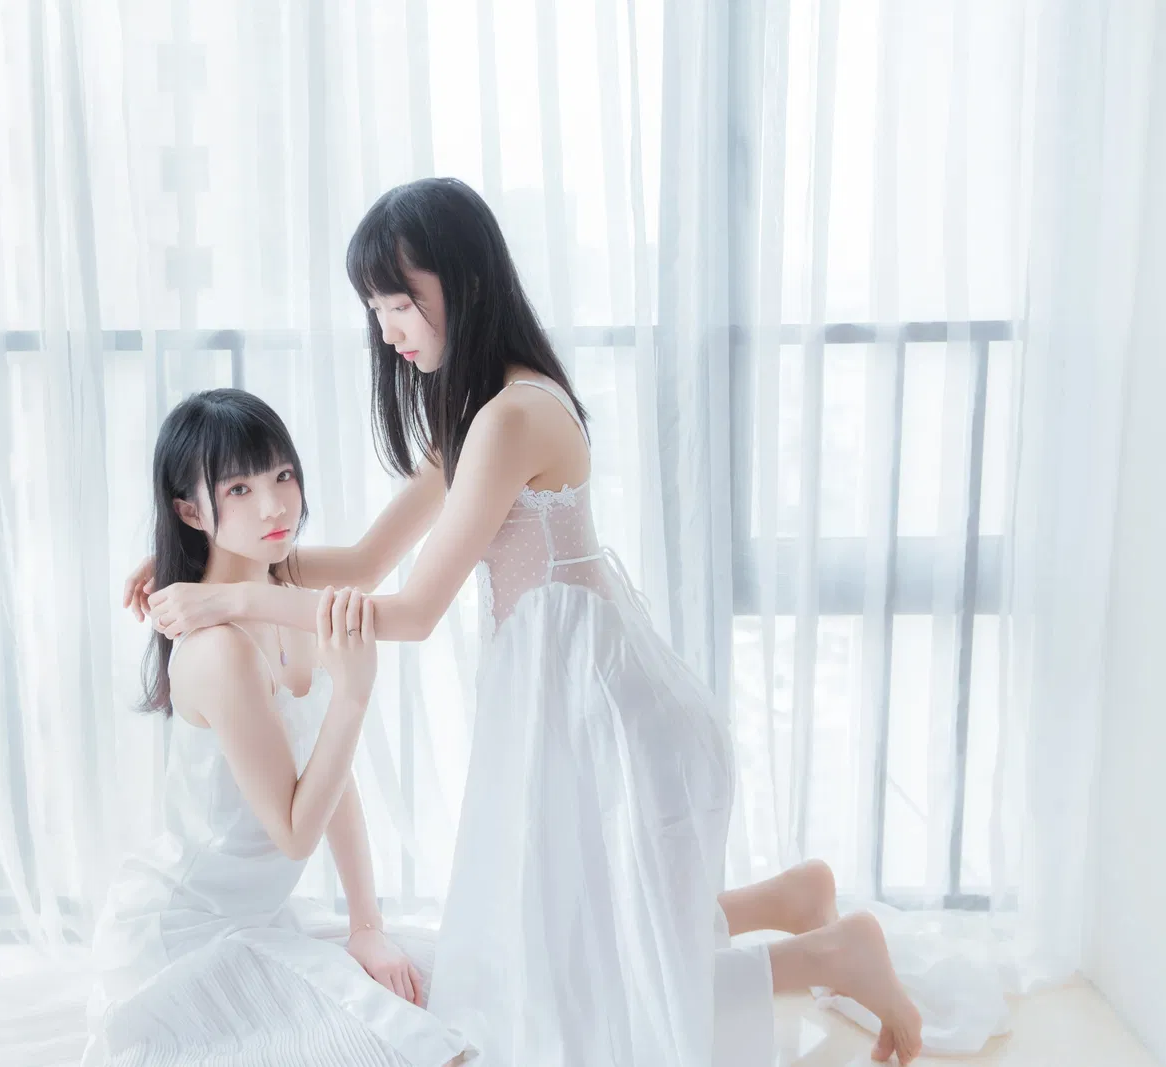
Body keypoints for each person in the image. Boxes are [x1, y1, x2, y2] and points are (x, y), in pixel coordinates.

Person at [131, 178, 923, 1065]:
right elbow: (360, 563)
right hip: (561, 692)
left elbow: (410, 613)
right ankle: (791, 899)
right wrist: (198, 563)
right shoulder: (481, 411)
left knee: (584, 991)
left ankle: (830, 952)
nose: (387, 332)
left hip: (600, 709)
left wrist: (232, 598)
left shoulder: (512, 418)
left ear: (462, 283)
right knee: (563, 942)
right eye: (376, 310)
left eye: (399, 304)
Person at [90, 388, 471, 1067]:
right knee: (410, 1045)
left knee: (455, 990)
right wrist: (352, 695)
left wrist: (366, 923)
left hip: (258, 920)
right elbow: (296, 832)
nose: (274, 506)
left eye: (283, 475)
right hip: (188, 939)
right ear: (189, 511)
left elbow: (366, 565)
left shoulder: (281, 588)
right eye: (238, 488)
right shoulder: (220, 650)